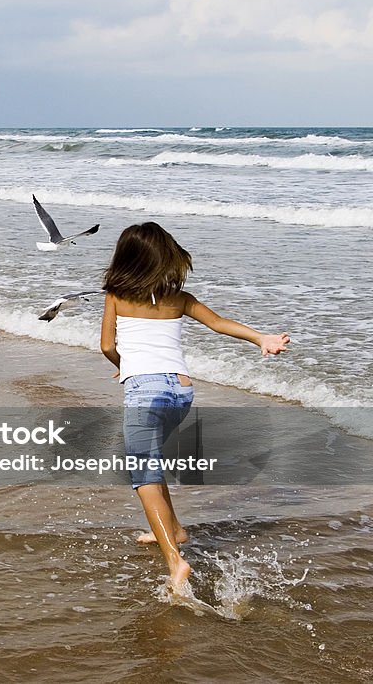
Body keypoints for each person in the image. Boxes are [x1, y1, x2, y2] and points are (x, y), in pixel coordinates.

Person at [99, 222, 289, 592]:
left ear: (126, 257)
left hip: (144, 389)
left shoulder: (116, 294)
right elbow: (218, 323)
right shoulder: (179, 297)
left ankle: (175, 561)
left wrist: (126, 366)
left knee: (142, 473)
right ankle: (175, 530)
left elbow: (107, 346)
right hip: (181, 392)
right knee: (151, 462)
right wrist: (260, 338)